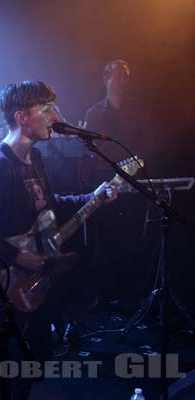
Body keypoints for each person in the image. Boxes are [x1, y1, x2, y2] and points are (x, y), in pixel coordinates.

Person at [0, 81, 117, 399]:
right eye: (46, 110)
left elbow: (50, 204)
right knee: (16, 369)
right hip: (2, 280)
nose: (54, 116)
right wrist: (21, 258)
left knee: (38, 358)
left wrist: (94, 196)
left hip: (29, 277)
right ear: (21, 117)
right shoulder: (0, 164)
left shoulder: (36, 159)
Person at [83, 60, 156, 311]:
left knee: (132, 240)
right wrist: (120, 159)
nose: (124, 81)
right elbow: (93, 149)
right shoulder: (94, 113)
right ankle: (102, 296)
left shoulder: (139, 109)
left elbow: (147, 143)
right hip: (104, 180)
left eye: (127, 76)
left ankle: (131, 297)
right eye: (119, 76)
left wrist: (134, 162)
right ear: (106, 79)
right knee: (103, 240)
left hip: (134, 181)